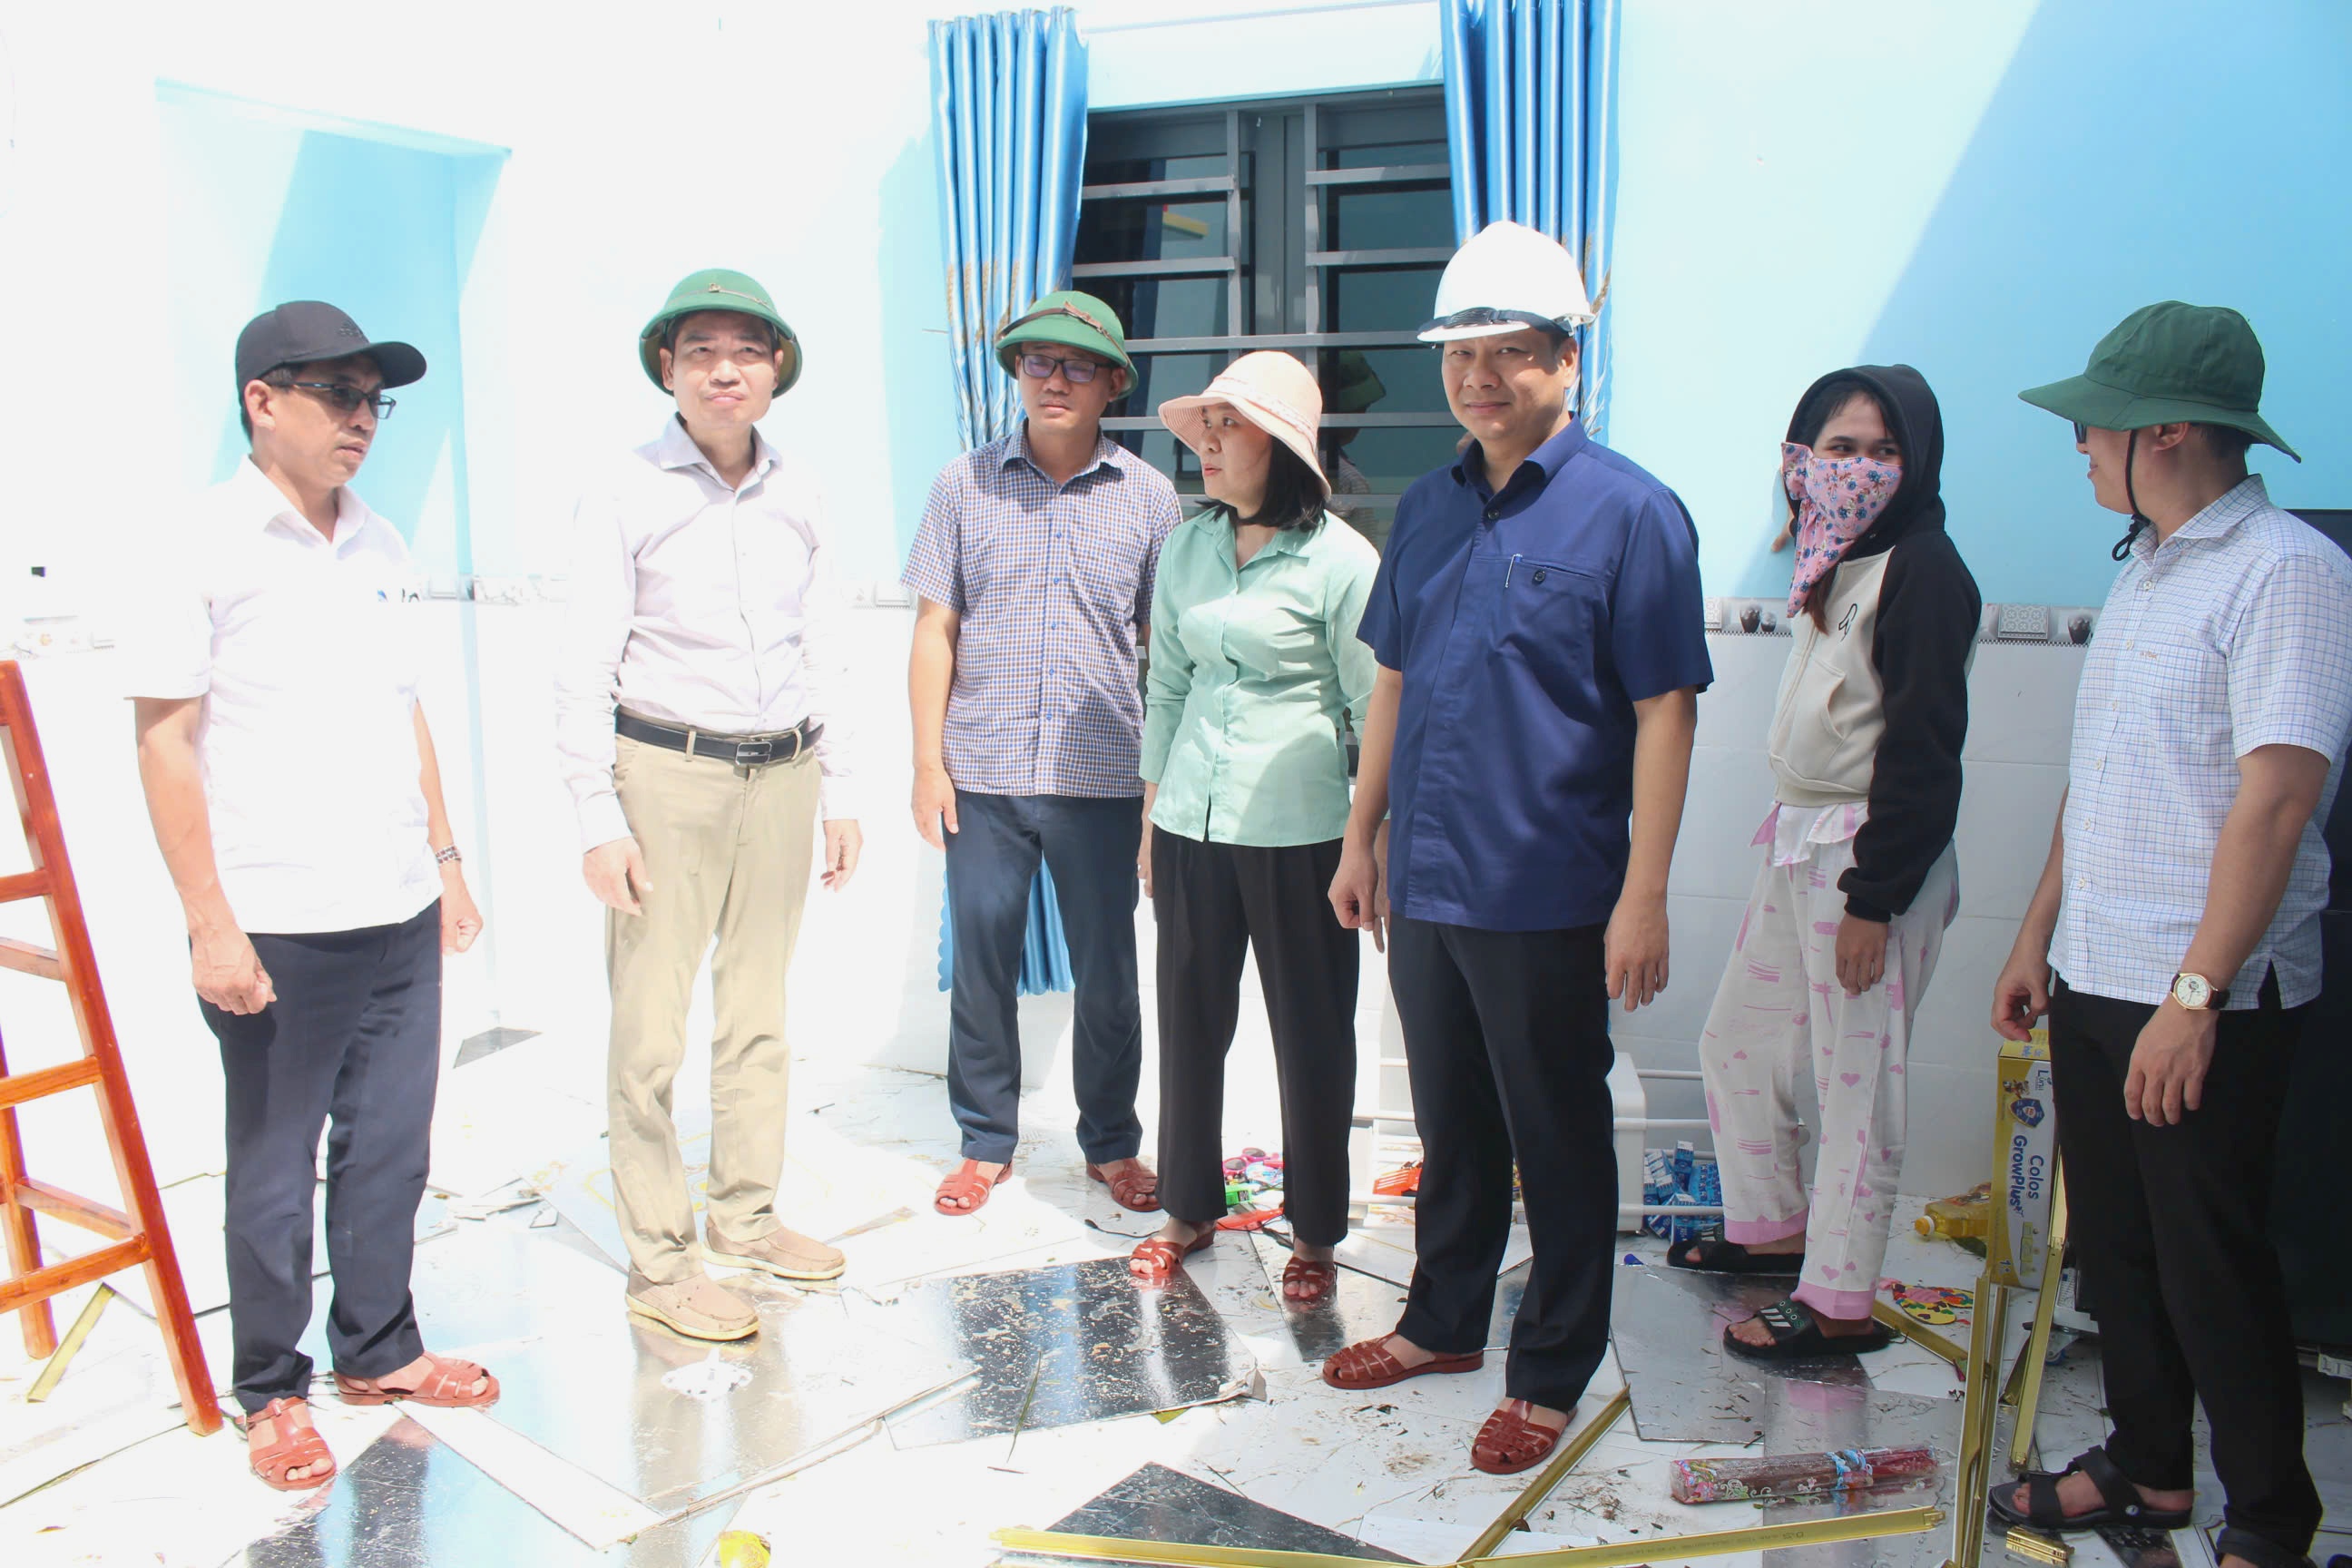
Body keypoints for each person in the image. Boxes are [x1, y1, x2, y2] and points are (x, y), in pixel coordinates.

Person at [1321, 221, 1711, 1475]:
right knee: (1451, 1124)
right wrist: (1362, 836)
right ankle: (1442, 1324)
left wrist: (1644, 894)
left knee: (1557, 1135)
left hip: (1548, 886)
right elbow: (1392, 681)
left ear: (1568, 358)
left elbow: (1666, 711)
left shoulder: (1632, 513)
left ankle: (1549, 1371)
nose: (1479, 378)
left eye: (1509, 352)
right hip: (1427, 879)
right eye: (1460, 355)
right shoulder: (1429, 508)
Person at [1989, 302, 2351, 1568]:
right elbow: (2103, 774)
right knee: (2121, 1250)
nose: (2080, 445)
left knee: (2212, 1264)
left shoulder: (2289, 572)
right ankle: (2148, 1467)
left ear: (2169, 431)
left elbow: (2279, 798)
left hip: (2204, 993)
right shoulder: (2147, 564)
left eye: (2095, 424)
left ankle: (2271, 1522)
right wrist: (2038, 934)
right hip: (2099, 966)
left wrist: (2195, 997)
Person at [124, 301, 496, 1491]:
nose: (362, 419)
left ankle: (379, 1349)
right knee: (275, 1167)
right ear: (262, 399)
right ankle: (273, 1388)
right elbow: (165, 745)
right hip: (278, 921)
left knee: (390, 1144)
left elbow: (404, 711)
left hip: (396, 903)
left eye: (375, 401)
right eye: (338, 394)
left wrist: (446, 862)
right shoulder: (199, 544)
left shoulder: (381, 543)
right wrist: (210, 924)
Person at [554, 269, 861, 1343]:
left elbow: (825, 643)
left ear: (777, 369)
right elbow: (582, 662)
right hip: (664, 776)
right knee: (649, 1028)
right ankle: (661, 1260)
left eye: (747, 350)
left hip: (783, 772)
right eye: (701, 352)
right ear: (668, 370)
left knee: (758, 1012)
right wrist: (597, 816)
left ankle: (745, 1215)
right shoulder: (626, 489)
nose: (725, 370)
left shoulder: (801, 490)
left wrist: (841, 788)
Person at [1671, 367, 1980, 1358]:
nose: (1861, 468)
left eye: (1886, 451)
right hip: (1802, 835)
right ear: (1801, 460)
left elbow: (1925, 751)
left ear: (1917, 463)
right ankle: (1774, 1230)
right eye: (1840, 448)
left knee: (1857, 1083)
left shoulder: (1923, 568)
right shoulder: (1835, 557)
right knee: (1738, 1041)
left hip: (1868, 857)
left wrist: (1874, 900)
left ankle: (1840, 1302)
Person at [903, 290, 1181, 1219]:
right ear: (1017, 374)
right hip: (981, 774)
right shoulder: (963, 485)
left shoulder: (1149, 497)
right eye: (1037, 362)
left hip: (1100, 777)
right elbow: (935, 630)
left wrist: (1158, 788)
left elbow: (1166, 649)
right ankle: (985, 1143)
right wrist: (927, 763)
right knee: (982, 960)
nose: (1055, 380)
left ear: (1112, 384)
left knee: (1109, 970)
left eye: (1077, 365)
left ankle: (1112, 1142)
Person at [1124, 351, 1380, 1300]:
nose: (1210, 444)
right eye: (1208, 426)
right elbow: (1166, 686)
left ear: (1283, 446)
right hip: (1190, 819)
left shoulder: (1343, 563)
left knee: (1312, 1038)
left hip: (1301, 832)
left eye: (1230, 427)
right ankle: (1187, 1209)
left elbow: (1374, 711)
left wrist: (1366, 844)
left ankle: (1315, 1234)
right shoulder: (1185, 549)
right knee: (1189, 1028)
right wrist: (1151, 821)